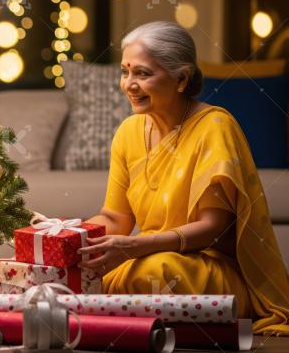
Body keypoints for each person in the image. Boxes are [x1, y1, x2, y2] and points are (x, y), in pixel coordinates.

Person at [78, 21, 289, 334]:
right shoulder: (127, 133)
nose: (129, 84)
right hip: (146, 255)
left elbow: (212, 229)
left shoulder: (214, 127)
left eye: (143, 73)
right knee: (86, 271)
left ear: (181, 79)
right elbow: (115, 217)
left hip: (206, 267)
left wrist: (136, 248)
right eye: (125, 71)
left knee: (152, 271)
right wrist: (69, 235)